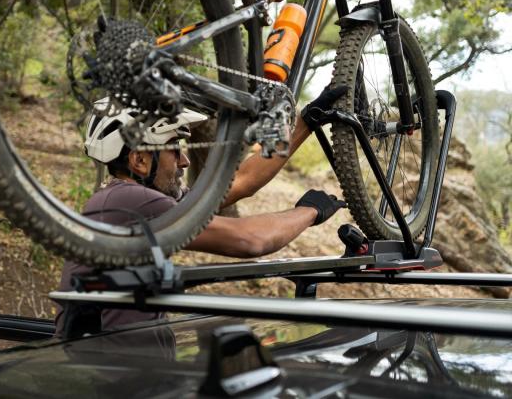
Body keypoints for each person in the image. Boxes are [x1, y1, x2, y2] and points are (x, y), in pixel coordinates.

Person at [55, 87, 348, 336]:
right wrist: (310, 211)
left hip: (125, 374)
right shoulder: (129, 200)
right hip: (115, 380)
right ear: (140, 160)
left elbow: (241, 183)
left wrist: (305, 122)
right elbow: (249, 240)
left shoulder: (128, 201)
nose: (184, 161)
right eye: (173, 147)